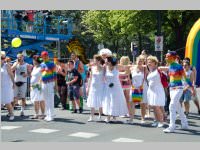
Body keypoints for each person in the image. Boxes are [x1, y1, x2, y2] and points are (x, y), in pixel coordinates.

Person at [160, 51, 195, 133]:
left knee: (171, 106)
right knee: (178, 107)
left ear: (173, 58)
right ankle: (185, 124)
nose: (166, 58)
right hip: (172, 89)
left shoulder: (179, 67)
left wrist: (192, 88)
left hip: (179, 89)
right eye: (166, 56)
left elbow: (186, 78)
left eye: (168, 56)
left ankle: (172, 126)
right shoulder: (169, 66)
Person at [102, 56, 128, 123]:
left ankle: (112, 116)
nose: (105, 61)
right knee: (108, 101)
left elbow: (127, 68)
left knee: (114, 101)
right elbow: (103, 76)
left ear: (110, 61)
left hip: (116, 87)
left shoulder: (116, 66)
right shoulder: (105, 67)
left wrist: (127, 71)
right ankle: (109, 116)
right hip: (108, 87)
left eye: (106, 60)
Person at [128, 55, 149, 124]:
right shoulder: (132, 68)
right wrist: (132, 85)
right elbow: (129, 78)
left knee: (142, 103)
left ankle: (143, 118)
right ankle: (131, 118)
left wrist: (141, 86)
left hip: (142, 87)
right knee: (132, 103)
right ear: (136, 61)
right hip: (134, 86)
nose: (139, 62)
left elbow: (145, 78)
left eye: (141, 61)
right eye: (138, 61)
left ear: (143, 62)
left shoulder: (145, 68)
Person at [146, 56, 165, 128]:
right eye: (148, 62)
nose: (148, 63)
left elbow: (167, 68)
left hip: (158, 90)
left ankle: (161, 121)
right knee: (154, 107)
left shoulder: (158, 69)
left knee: (157, 107)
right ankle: (156, 120)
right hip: (151, 91)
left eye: (150, 62)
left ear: (155, 63)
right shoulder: (150, 71)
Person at [40, 51, 57, 121]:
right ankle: (47, 114)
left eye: (46, 56)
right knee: (45, 99)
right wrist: (40, 83)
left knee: (50, 99)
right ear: (42, 57)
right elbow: (42, 74)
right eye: (43, 56)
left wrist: (56, 84)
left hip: (50, 83)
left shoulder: (52, 64)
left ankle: (51, 115)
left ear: (48, 56)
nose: (45, 57)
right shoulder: (42, 64)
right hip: (44, 83)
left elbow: (55, 74)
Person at [87, 55, 104, 122]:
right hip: (93, 87)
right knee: (92, 101)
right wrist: (88, 87)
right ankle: (91, 116)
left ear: (99, 61)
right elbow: (90, 78)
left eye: (96, 60)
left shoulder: (103, 68)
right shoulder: (92, 68)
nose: (95, 61)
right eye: (94, 60)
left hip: (100, 86)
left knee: (100, 101)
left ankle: (100, 115)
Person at [1, 51, 15, 120]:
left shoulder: (6, 65)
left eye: (3, 58)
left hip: (6, 85)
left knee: (7, 101)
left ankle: (11, 114)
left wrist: (14, 83)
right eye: (1, 58)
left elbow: (11, 75)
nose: (2, 59)